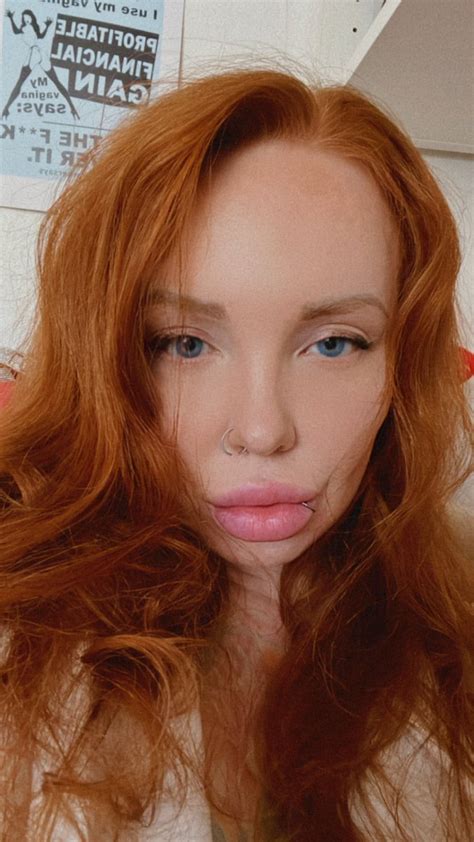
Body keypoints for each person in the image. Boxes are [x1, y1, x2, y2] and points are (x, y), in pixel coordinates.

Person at [0, 68, 472, 842]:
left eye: (334, 343)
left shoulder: (454, 624)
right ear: (108, 357)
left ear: (403, 363)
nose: (262, 430)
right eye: (185, 343)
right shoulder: (18, 635)